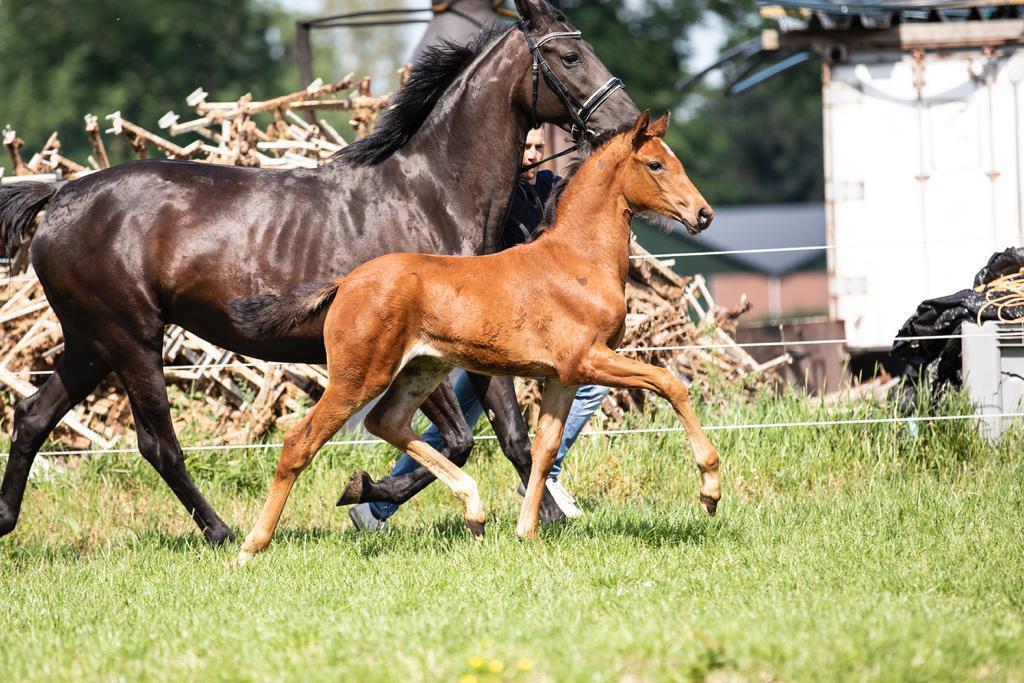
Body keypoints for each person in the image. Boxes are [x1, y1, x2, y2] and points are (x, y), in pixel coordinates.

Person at [349, 128, 611, 531]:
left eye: (539, 148)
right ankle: (542, 479)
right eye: (525, 148)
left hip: (539, 328)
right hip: (498, 326)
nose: (532, 157)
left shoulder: (551, 189)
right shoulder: (495, 201)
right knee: (462, 424)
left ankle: (375, 509)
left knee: (465, 419)